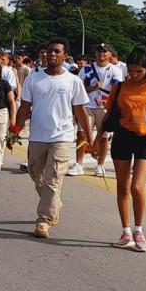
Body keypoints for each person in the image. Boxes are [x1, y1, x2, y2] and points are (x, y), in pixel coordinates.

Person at [11, 38, 93, 239]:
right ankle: (54, 202)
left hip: (62, 137)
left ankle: (43, 220)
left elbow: (80, 110)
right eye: (49, 51)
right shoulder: (34, 79)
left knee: (53, 179)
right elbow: (24, 108)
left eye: (57, 52)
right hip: (38, 136)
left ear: (65, 56)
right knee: (35, 174)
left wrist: (91, 137)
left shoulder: (73, 81)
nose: (52, 55)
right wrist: (14, 131)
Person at [96, 46, 146, 252]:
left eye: (139, 71)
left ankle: (139, 230)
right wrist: (95, 140)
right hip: (123, 138)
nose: (134, 75)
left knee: (137, 186)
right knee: (122, 186)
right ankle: (125, 231)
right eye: (132, 71)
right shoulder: (120, 87)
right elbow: (109, 115)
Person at [73, 44, 124, 177]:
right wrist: (94, 88)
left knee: (104, 137)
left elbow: (117, 89)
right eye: (99, 51)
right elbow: (79, 88)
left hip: (105, 108)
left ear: (110, 54)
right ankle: (79, 164)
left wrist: (109, 102)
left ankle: (100, 165)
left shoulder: (115, 70)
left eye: (104, 52)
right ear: (95, 54)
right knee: (81, 134)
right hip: (88, 106)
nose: (101, 54)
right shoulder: (86, 69)